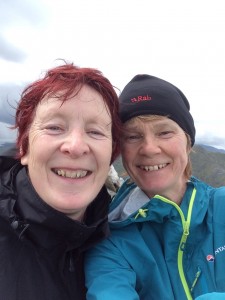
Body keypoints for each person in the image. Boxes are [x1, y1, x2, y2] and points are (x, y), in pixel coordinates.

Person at [85, 74, 225, 300]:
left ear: (188, 142)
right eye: (132, 136)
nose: (149, 148)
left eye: (165, 132)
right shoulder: (110, 243)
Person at [0, 62, 121, 300]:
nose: (75, 147)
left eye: (95, 132)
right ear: (24, 148)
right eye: (55, 127)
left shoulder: (125, 236)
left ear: (110, 156)